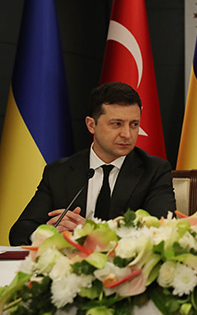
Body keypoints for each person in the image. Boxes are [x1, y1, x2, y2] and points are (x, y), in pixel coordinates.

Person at [10, 82, 175, 245]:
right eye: (117, 124)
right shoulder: (59, 172)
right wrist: (49, 233)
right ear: (91, 125)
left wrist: (90, 232)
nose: (127, 134)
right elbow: (20, 231)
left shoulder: (154, 171)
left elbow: (162, 233)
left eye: (134, 124)